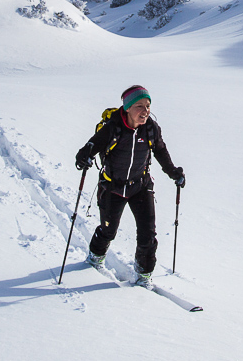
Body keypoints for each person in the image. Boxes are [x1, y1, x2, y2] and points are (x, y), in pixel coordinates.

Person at [75, 85, 185, 287]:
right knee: (108, 231)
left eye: (148, 106)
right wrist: (84, 157)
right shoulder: (112, 128)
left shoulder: (151, 129)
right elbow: (91, 147)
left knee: (148, 234)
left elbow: (160, 150)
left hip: (140, 187)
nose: (145, 111)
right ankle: (95, 257)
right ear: (127, 108)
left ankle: (144, 275)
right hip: (112, 187)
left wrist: (173, 172)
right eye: (139, 106)